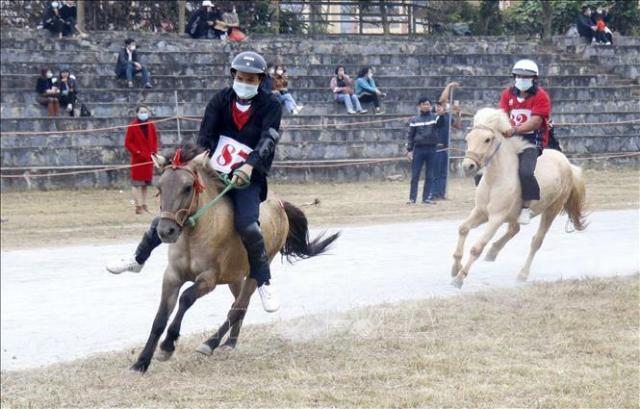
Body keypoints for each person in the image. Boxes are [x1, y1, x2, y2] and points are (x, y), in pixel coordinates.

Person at [107, 51, 282, 313]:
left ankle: (264, 280)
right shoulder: (219, 101)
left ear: (260, 80)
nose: (245, 82)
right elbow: (205, 138)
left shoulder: (271, 105)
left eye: (251, 79)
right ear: (234, 76)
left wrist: (248, 166)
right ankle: (137, 258)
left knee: (248, 226)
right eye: (241, 77)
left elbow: (268, 140)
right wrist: (181, 161)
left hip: (246, 178)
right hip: (213, 172)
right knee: (173, 212)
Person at [498, 59, 552, 225]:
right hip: (510, 139)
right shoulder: (508, 94)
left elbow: (535, 122)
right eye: (519, 76)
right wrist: (503, 127)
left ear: (534, 79)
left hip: (531, 141)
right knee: (487, 164)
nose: (522, 79)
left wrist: (514, 130)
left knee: (525, 173)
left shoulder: (541, 96)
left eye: (526, 77)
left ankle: (526, 207)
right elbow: (502, 114)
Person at [406, 97, 446, 205]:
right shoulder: (414, 120)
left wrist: (441, 115)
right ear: (419, 106)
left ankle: (426, 198)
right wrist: (409, 150)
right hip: (418, 149)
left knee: (430, 175)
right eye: (424, 104)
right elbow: (410, 135)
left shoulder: (435, 117)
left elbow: (441, 125)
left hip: (431, 149)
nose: (426, 106)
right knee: (415, 175)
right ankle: (412, 198)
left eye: (428, 104)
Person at [125, 105, 158, 215]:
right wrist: (137, 152)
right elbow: (128, 143)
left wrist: (154, 152)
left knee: (145, 184)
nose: (144, 113)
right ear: (137, 113)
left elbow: (154, 140)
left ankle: (144, 205)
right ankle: (138, 206)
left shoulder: (151, 125)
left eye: (145, 112)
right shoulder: (132, 126)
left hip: (148, 159)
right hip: (138, 159)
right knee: (136, 184)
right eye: (141, 111)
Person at [431, 82, 463, 200]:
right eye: (444, 103)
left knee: (444, 172)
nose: (446, 104)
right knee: (435, 172)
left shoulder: (447, 115)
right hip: (436, 146)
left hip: (445, 146)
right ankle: (433, 193)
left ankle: (441, 193)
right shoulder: (435, 113)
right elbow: (442, 99)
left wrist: (459, 115)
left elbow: (457, 126)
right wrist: (449, 86)